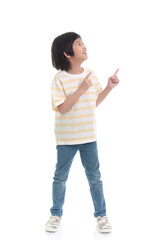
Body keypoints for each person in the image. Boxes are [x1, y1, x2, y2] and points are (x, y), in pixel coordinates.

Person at [45, 32, 120, 234]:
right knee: (60, 178)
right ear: (67, 53)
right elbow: (62, 108)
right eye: (79, 44)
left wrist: (108, 88)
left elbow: (93, 102)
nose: (84, 47)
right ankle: (55, 214)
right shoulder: (59, 79)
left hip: (88, 137)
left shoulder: (90, 75)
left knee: (95, 177)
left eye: (83, 43)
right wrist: (81, 88)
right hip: (66, 139)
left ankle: (101, 216)